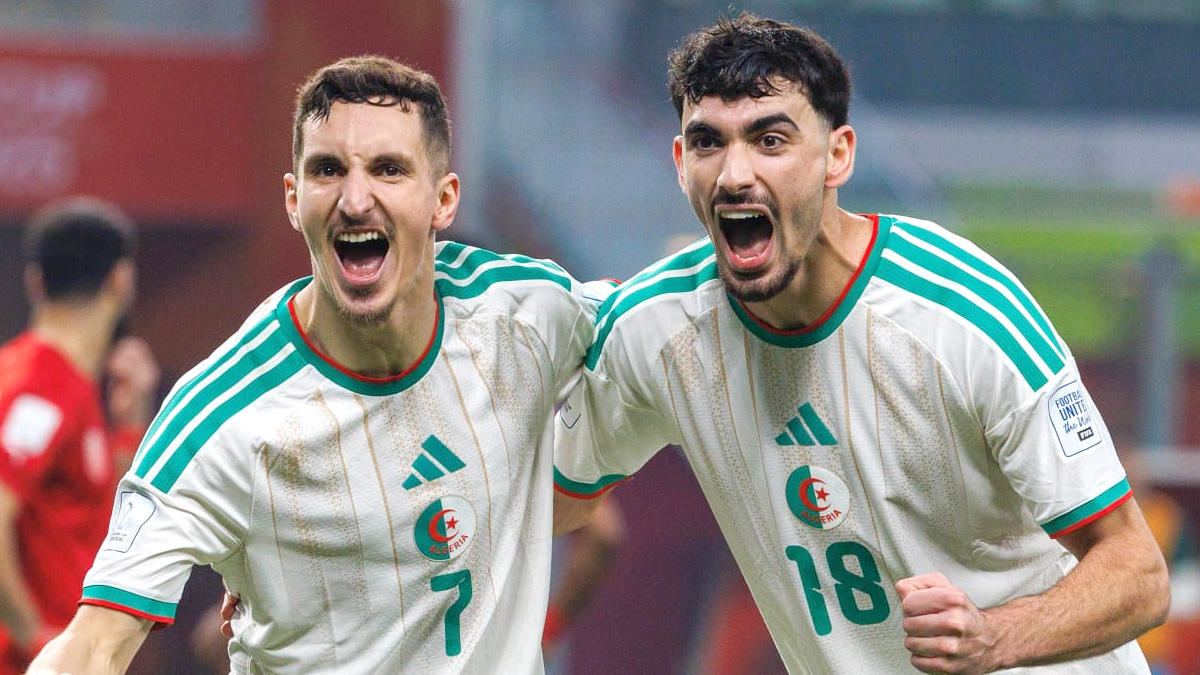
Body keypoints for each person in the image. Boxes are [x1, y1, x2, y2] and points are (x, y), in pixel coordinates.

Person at [553, 13, 1169, 674]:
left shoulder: (964, 312)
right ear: (681, 164)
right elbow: (546, 504)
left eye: (770, 140)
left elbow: (1138, 572)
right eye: (708, 142)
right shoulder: (651, 329)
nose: (734, 174)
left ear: (838, 155)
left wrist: (992, 637)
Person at [28, 55, 615, 674]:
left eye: (389, 169)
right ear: (293, 198)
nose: (355, 200)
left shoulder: (527, 312)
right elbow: (93, 646)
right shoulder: (224, 416)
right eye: (328, 170)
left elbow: (646, 353)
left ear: (443, 200)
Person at [0, 198, 160, 675]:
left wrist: (130, 427)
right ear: (121, 280)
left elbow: (90, 519)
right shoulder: (40, 387)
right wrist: (34, 639)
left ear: (35, 282)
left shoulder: (67, 385)